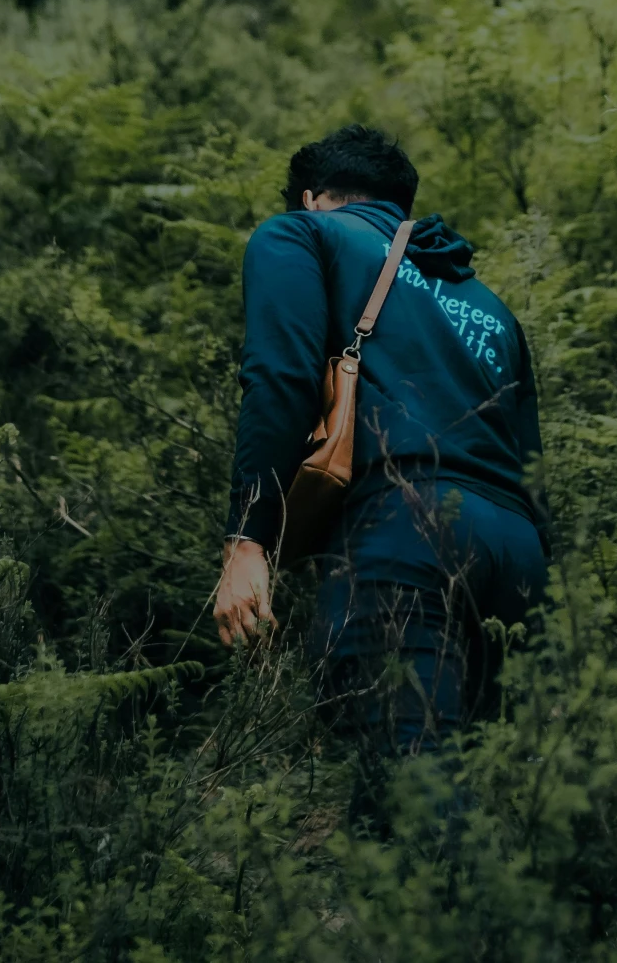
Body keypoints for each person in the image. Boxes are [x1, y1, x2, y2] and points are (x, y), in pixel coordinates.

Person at [214, 124, 549, 769]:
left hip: (403, 533)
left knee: (411, 788)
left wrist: (246, 539)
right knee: (494, 802)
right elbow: (533, 471)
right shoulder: (493, 309)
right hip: (520, 556)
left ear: (309, 197)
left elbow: (279, 381)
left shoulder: (300, 235)